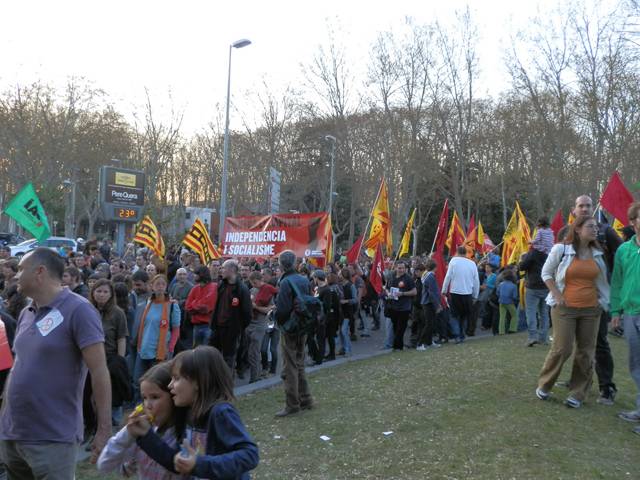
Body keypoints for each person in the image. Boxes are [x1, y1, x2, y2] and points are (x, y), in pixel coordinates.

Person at [0, 248, 112, 476]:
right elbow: (18, 367)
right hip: (13, 435)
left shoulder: (80, 310)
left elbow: (99, 371)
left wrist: (104, 430)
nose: (15, 275)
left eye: (21, 269)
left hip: (53, 439)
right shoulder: (26, 312)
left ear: (40, 272)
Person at [127, 346, 259, 478]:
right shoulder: (187, 414)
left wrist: (199, 464)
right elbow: (176, 463)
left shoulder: (220, 412)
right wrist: (145, 435)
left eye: (177, 378)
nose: (170, 385)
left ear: (197, 381)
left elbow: (249, 454)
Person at [536, 215, 610, 408]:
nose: (595, 230)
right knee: (562, 348)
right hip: (564, 308)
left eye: (596, 227)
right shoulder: (561, 249)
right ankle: (545, 384)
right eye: (590, 226)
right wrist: (557, 295)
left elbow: (602, 282)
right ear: (577, 229)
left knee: (585, 352)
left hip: (591, 310)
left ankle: (578, 393)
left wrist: (603, 303)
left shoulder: (598, 253)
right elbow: (546, 273)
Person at [572, 195, 622, 405]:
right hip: (574, 297)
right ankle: (579, 382)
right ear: (574, 209)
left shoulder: (606, 231)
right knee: (579, 342)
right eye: (581, 206)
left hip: (599, 297)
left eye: (588, 205)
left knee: (599, 342)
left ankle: (607, 388)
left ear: (593, 208)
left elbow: (622, 258)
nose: (585, 208)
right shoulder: (568, 233)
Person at [98, 362, 186, 479]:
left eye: (155, 397)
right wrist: (127, 433)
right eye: (144, 398)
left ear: (173, 396)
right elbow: (104, 465)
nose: (148, 405)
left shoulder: (184, 436)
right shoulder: (141, 433)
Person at [610, 202, 640, 432]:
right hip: (630, 314)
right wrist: (615, 312)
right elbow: (617, 283)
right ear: (633, 222)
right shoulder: (624, 250)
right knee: (636, 365)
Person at [273, 250, 314, 417]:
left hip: (289, 328)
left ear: (282, 264)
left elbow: (282, 310)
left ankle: (292, 404)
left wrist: (276, 317)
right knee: (299, 363)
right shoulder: (303, 279)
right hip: (303, 325)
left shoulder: (285, 282)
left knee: (289, 366)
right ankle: (306, 399)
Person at [133, 275, 181, 391]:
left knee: (156, 383)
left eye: (163, 284)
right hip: (144, 349)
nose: (160, 287)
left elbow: (176, 329)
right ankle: (139, 406)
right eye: (157, 284)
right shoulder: (148, 303)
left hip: (160, 351)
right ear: (152, 287)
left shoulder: (172, 305)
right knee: (137, 380)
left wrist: (170, 348)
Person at [442, 246, 480, 344]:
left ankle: (457, 335)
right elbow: (476, 281)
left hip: (455, 292)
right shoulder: (472, 264)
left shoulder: (453, 261)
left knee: (454, 315)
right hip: (467, 293)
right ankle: (462, 335)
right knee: (464, 315)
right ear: (466, 253)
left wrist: (444, 289)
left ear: (457, 252)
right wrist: (475, 295)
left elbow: (448, 276)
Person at [519, 234, 551, 346]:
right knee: (544, 313)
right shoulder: (548, 253)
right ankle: (544, 338)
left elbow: (522, 267)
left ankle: (532, 337)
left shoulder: (532, 253)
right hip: (546, 286)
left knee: (531, 312)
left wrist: (520, 261)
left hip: (533, 286)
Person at [248, 271, 277, 382]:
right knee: (251, 352)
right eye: (252, 283)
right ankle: (257, 373)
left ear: (260, 280)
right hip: (250, 323)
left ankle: (254, 377)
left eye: (255, 282)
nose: (254, 285)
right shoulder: (252, 290)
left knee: (255, 352)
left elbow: (271, 309)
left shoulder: (268, 290)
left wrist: (256, 307)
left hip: (260, 324)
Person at [384, 261, 417, 351]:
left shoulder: (408, 278)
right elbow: (386, 288)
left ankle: (396, 347)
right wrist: (388, 293)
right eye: (399, 268)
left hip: (404, 308)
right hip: (393, 307)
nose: (401, 270)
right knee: (395, 328)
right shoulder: (391, 277)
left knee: (400, 329)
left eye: (403, 268)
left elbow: (414, 292)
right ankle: (400, 347)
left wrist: (402, 293)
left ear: (405, 268)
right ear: (395, 268)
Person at [185, 266, 216, 347]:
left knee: (207, 353)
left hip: (208, 326)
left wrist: (194, 303)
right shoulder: (194, 288)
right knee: (196, 353)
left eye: (196, 274)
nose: (194, 276)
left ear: (202, 275)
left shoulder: (213, 287)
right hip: (196, 326)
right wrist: (199, 304)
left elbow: (207, 307)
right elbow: (187, 307)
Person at [418, 259, 442, 351]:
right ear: (435, 267)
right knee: (428, 324)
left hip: (427, 302)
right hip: (429, 303)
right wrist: (437, 305)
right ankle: (420, 344)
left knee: (431, 324)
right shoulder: (430, 277)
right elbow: (432, 293)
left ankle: (429, 341)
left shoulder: (426, 275)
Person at [497, 270, 518, 335]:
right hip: (510, 302)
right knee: (514, 315)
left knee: (502, 317)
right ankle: (512, 329)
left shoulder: (500, 284)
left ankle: (501, 331)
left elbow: (497, 293)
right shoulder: (513, 286)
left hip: (501, 301)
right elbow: (515, 296)